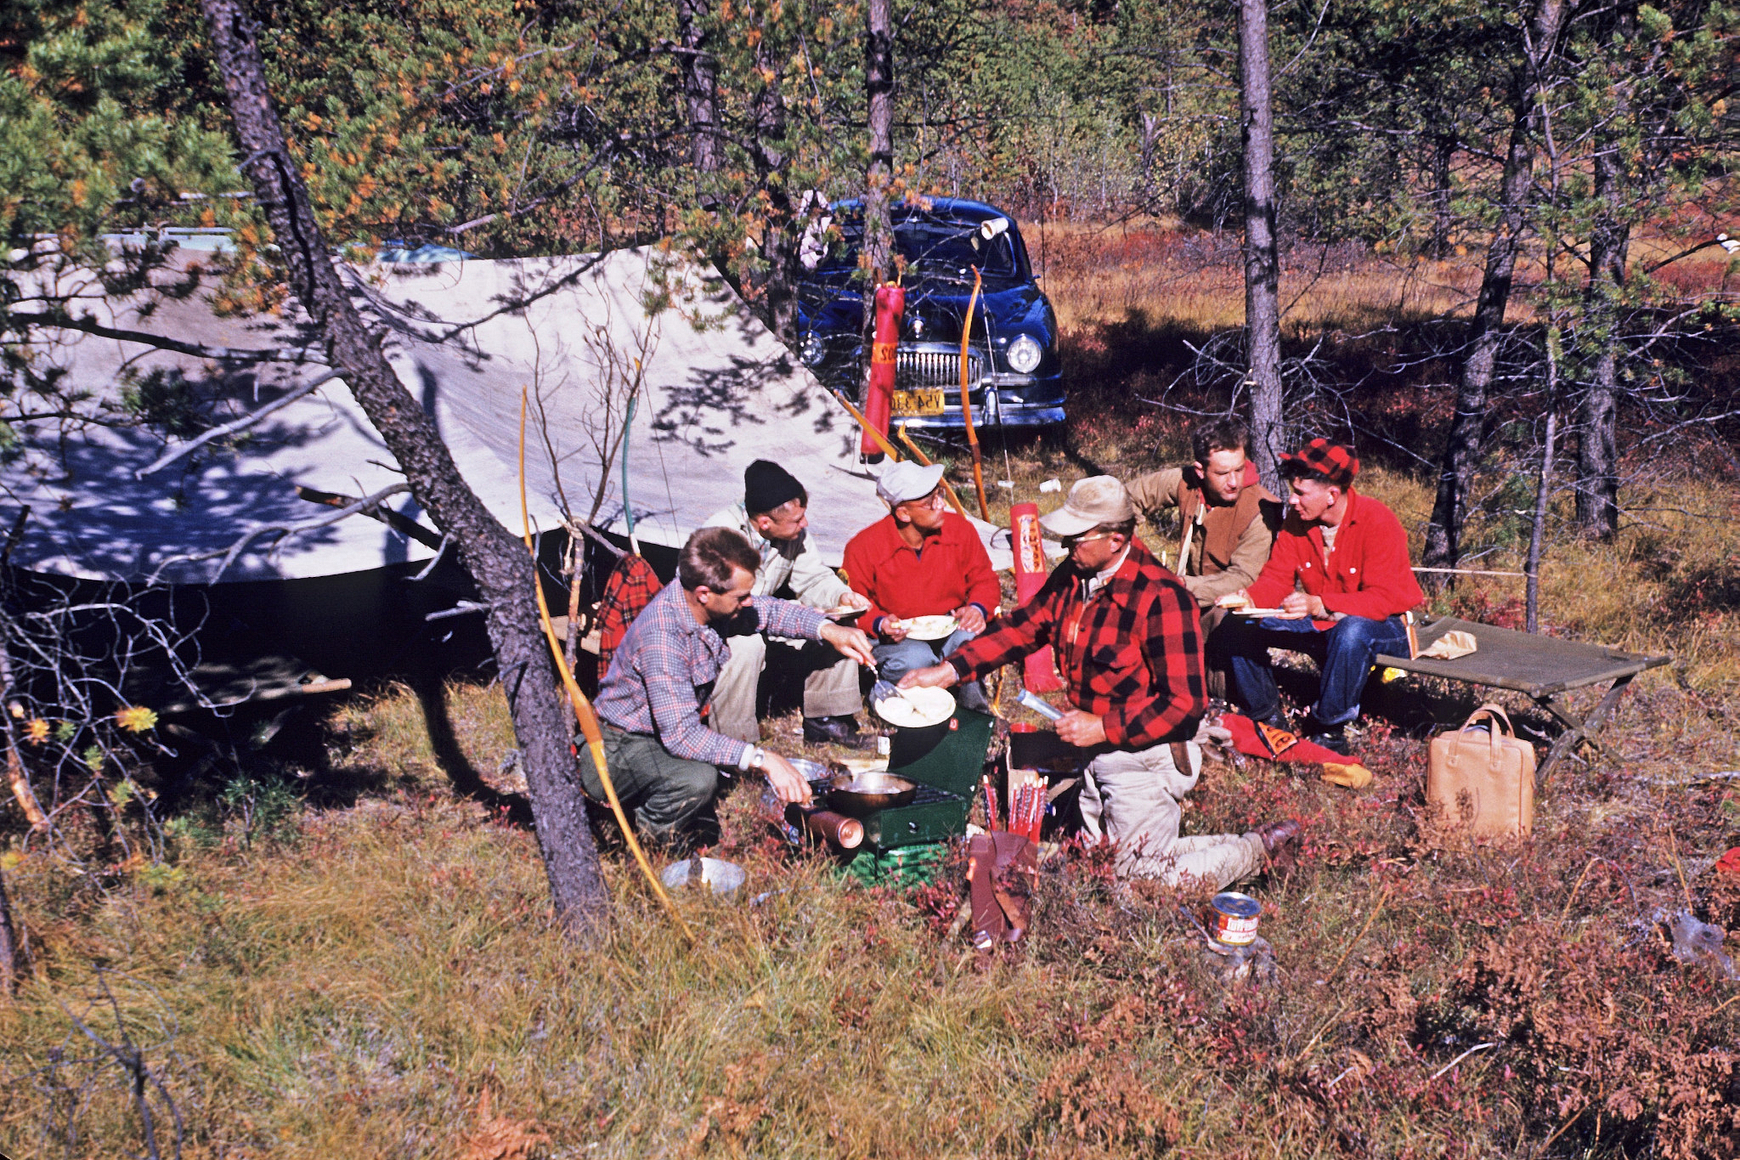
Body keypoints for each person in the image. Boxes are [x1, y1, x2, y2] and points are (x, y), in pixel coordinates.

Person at [899, 476, 1302, 888]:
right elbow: (1021, 628)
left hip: (1144, 754)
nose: (1068, 548)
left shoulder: (1161, 597)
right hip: (1094, 754)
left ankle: (1259, 852)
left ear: (1115, 539)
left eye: (1078, 538)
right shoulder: (1076, 576)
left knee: (1139, 883)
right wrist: (948, 670)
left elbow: (1185, 704)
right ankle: (1257, 843)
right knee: (1097, 867)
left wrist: (1103, 726)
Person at [588, 526, 875, 847]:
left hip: (656, 733)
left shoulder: (706, 604)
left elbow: (770, 611)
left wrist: (827, 630)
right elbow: (681, 736)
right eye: (741, 596)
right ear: (704, 593)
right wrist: (765, 759)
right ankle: (647, 843)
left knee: (709, 769)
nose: (749, 602)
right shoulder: (664, 637)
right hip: (619, 746)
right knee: (697, 780)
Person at [1210, 438, 1424, 755]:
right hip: (1323, 623)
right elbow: (1277, 577)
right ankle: (1266, 716)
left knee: (1352, 631)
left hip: (1388, 628)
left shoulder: (1377, 521)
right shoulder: (1299, 522)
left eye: (1300, 493)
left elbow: (1384, 600)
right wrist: (1250, 599)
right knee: (1234, 624)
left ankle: (1329, 729)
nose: (1291, 500)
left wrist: (1320, 604)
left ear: (1331, 495)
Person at [702, 460, 871, 748]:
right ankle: (733, 743)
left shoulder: (793, 534)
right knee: (746, 645)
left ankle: (826, 720)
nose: (804, 524)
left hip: (764, 616)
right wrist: (800, 617)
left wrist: (839, 596)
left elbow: (812, 578)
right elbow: (719, 605)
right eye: (796, 520)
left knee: (840, 623)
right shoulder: (721, 536)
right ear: (765, 523)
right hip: (718, 627)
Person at [841, 461, 1000, 698]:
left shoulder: (959, 530)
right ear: (904, 513)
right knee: (916, 659)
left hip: (949, 623)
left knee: (970, 641)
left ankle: (973, 716)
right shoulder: (864, 547)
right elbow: (853, 605)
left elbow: (985, 579)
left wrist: (976, 608)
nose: (941, 505)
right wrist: (880, 623)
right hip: (899, 639)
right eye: (930, 502)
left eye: (940, 495)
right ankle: (897, 701)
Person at [1125, 416, 1283, 614]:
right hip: (1181, 595)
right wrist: (1130, 554)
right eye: (1222, 473)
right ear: (1200, 471)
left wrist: (1182, 585)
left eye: (1239, 469)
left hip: (1228, 606)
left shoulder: (1260, 509)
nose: (1234, 481)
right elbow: (1125, 498)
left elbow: (1244, 577)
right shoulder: (1187, 481)